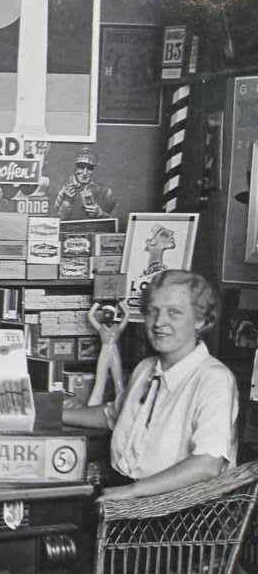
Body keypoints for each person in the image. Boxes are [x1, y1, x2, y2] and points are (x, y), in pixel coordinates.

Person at [63, 270, 238, 501]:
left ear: (201, 320)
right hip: (124, 494)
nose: (159, 322)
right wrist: (55, 413)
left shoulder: (213, 379)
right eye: (152, 311)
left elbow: (207, 465)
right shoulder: (146, 368)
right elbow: (112, 416)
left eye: (174, 312)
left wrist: (132, 491)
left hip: (177, 511)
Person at [53, 147, 117, 220]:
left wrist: (100, 214)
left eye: (90, 168)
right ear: (75, 169)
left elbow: (115, 221)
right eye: (81, 167)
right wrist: (67, 201)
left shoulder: (105, 191)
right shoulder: (65, 191)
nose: (85, 173)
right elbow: (56, 221)